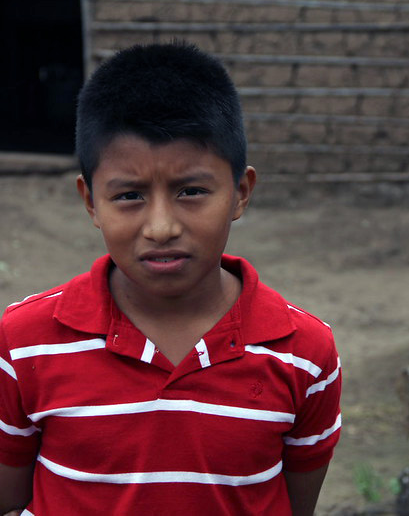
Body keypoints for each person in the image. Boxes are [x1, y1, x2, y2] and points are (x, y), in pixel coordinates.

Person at [0, 42, 341, 515]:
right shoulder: (26, 343)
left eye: (191, 191)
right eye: (129, 196)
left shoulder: (302, 352)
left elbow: (293, 504)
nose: (161, 228)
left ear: (241, 193)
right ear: (91, 202)